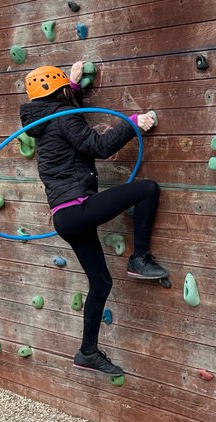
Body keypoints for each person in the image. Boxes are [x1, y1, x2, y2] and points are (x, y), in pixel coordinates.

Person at [19, 62, 168, 379]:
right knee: (146, 190)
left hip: (66, 216)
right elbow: (98, 146)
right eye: (65, 90)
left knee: (101, 282)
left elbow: (67, 121)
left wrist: (73, 86)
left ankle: (87, 352)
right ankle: (139, 258)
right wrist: (132, 123)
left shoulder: (45, 122)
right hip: (77, 208)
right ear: (58, 93)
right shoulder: (63, 118)